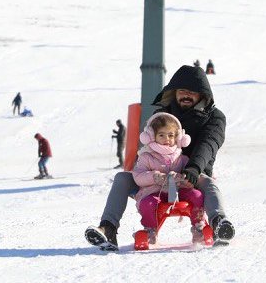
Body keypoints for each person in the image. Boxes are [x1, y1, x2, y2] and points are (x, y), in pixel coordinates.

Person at [86, 64, 233, 250]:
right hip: (156, 176)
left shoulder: (214, 117)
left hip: (191, 173)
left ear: (202, 94)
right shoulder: (162, 116)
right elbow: (149, 146)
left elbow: (209, 143)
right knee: (122, 178)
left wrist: (194, 168)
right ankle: (108, 228)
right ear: (174, 92)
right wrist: (149, 172)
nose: (186, 95)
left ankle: (219, 223)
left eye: (192, 92)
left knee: (209, 184)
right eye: (182, 91)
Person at [132, 113, 207, 245]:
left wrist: (183, 179)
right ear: (151, 137)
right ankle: (150, 230)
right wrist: (155, 177)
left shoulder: (182, 158)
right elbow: (138, 176)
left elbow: (191, 179)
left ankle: (199, 227)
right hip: (155, 192)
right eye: (161, 135)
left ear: (178, 138)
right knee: (147, 204)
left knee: (197, 195)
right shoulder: (146, 157)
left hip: (179, 192)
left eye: (171, 135)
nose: (167, 139)